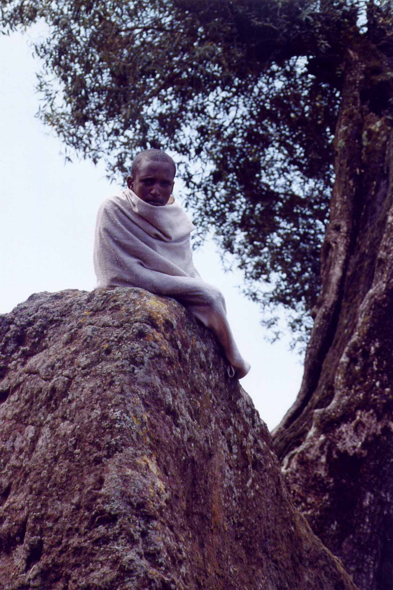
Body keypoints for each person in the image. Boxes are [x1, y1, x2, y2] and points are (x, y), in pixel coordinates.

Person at [94, 149, 250, 379]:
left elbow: (183, 268)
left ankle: (224, 358)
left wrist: (186, 288)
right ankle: (237, 361)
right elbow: (114, 265)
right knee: (211, 296)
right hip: (127, 278)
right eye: (147, 182)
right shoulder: (113, 207)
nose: (156, 190)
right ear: (130, 182)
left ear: (172, 187)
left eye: (164, 184)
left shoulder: (177, 217)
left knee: (211, 297)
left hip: (168, 281)